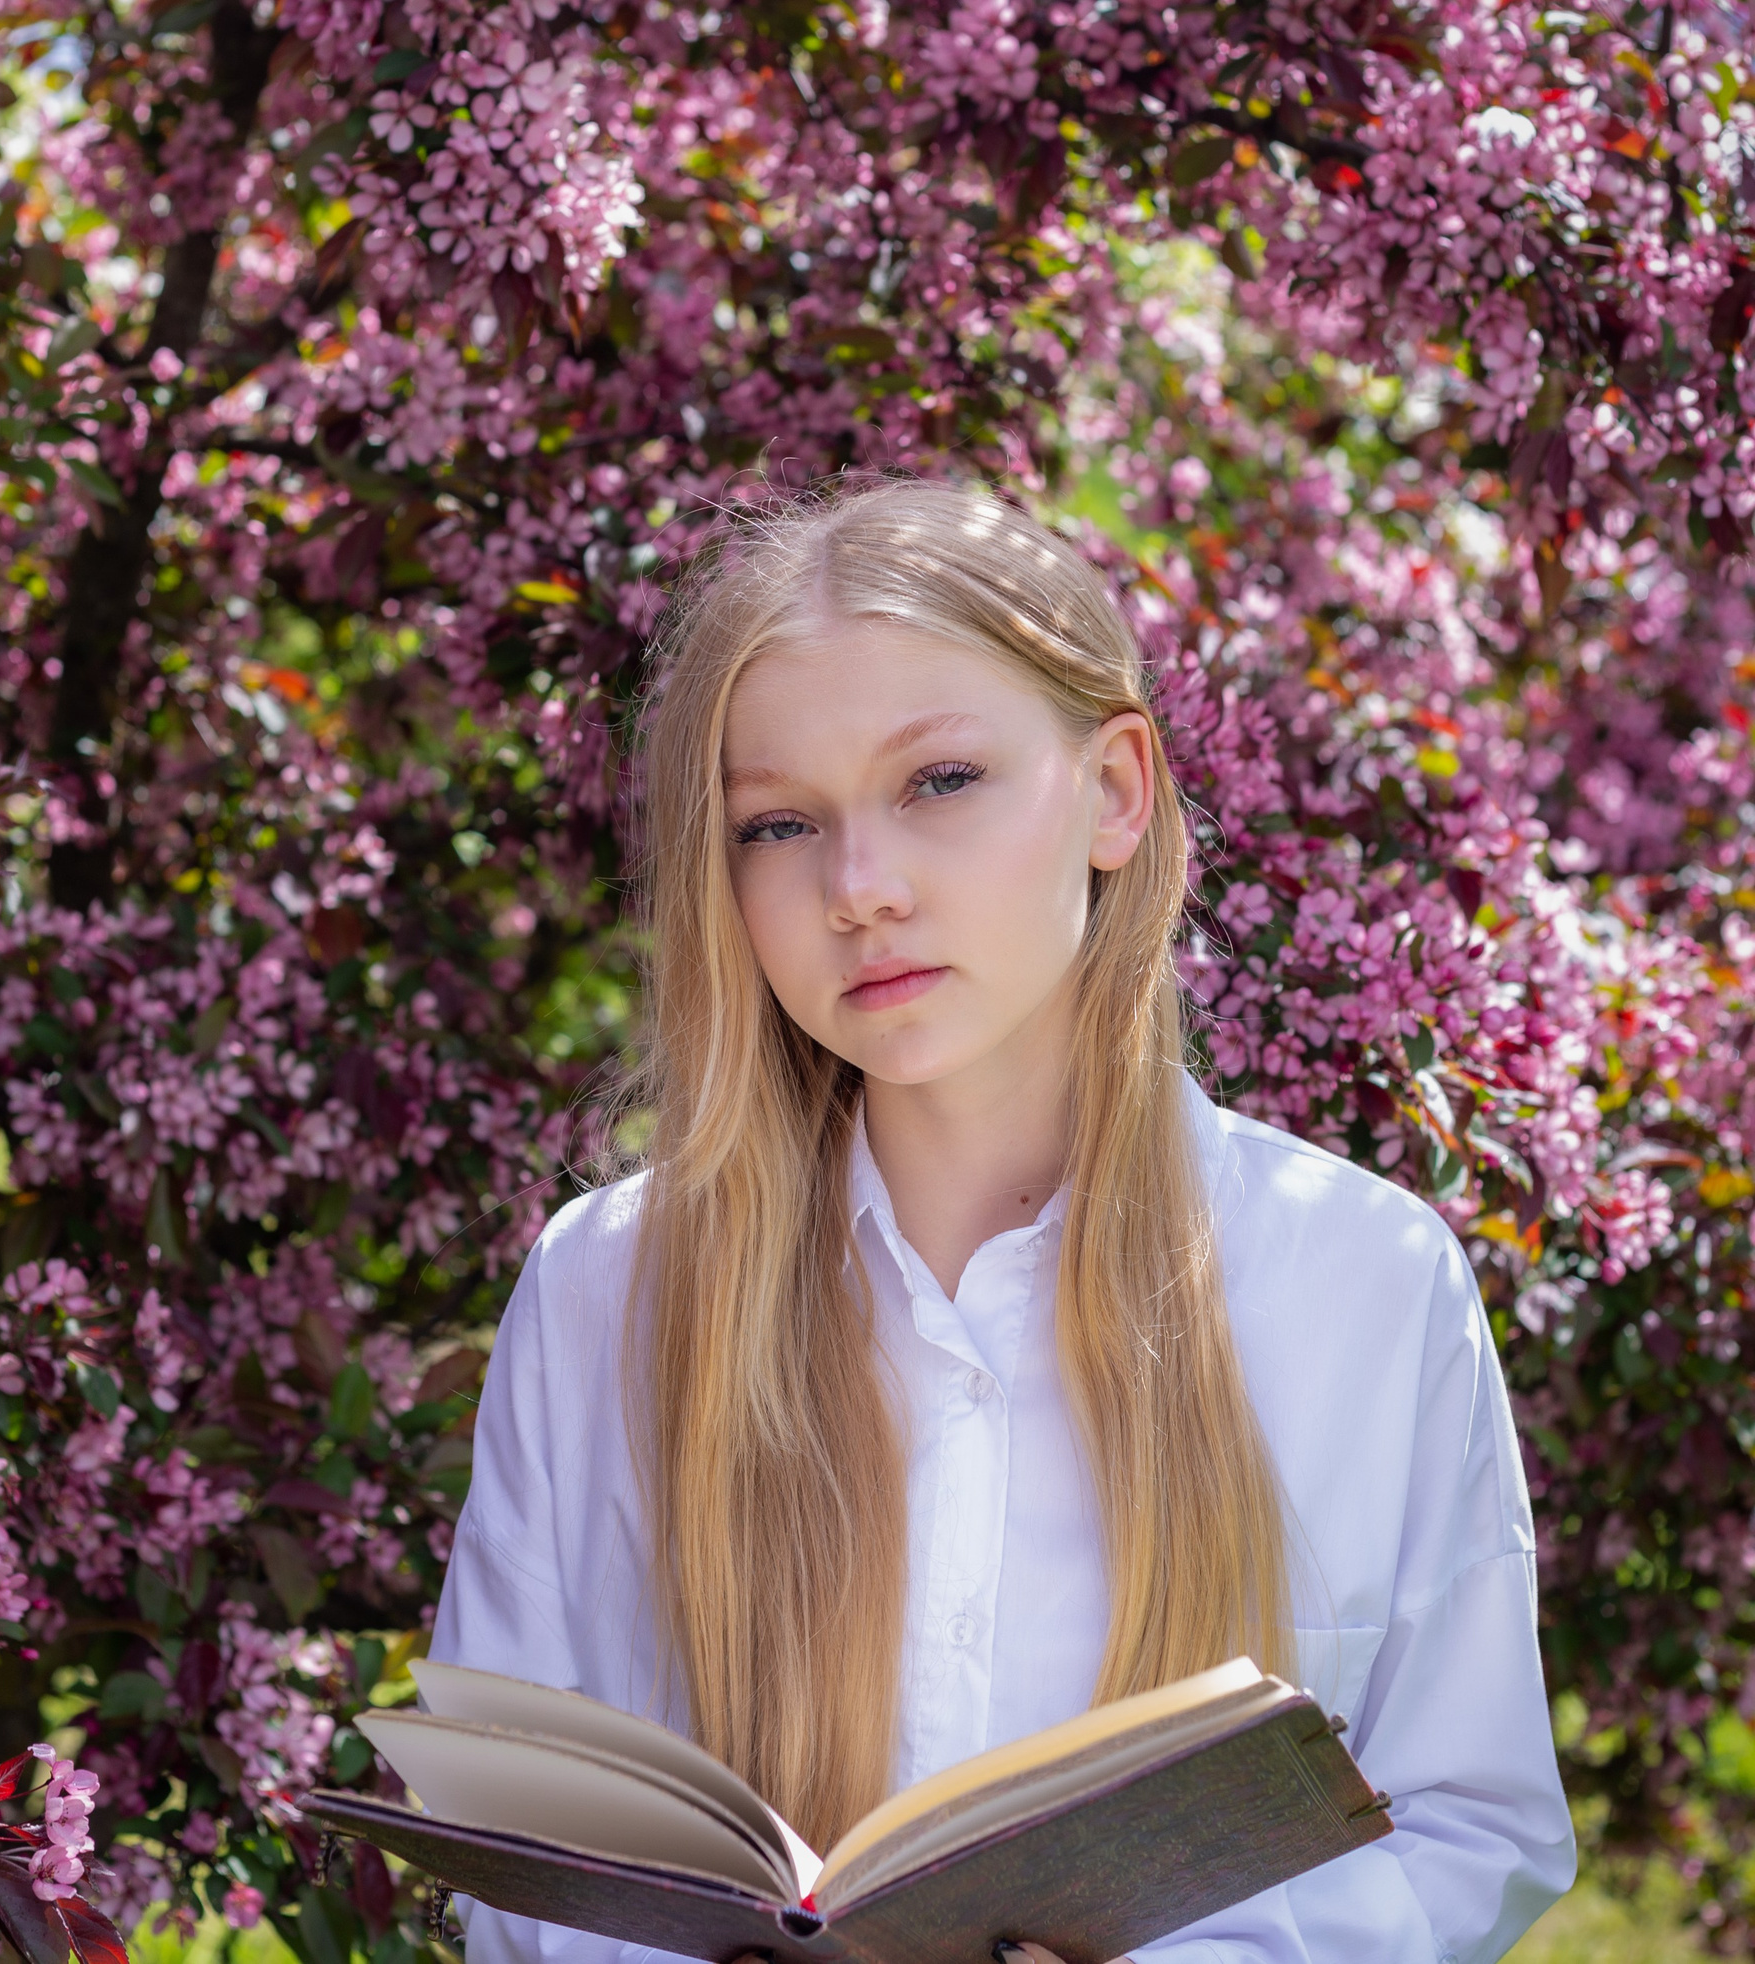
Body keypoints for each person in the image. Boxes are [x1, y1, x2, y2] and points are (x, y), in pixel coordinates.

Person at [425, 481, 1574, 1964]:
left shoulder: (1362, 1280)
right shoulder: (607, 1289)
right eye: (778, 823)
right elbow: (519, 1857)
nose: (860, 888)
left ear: (1115, 792)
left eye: (941, 780)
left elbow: (1472, 1831)